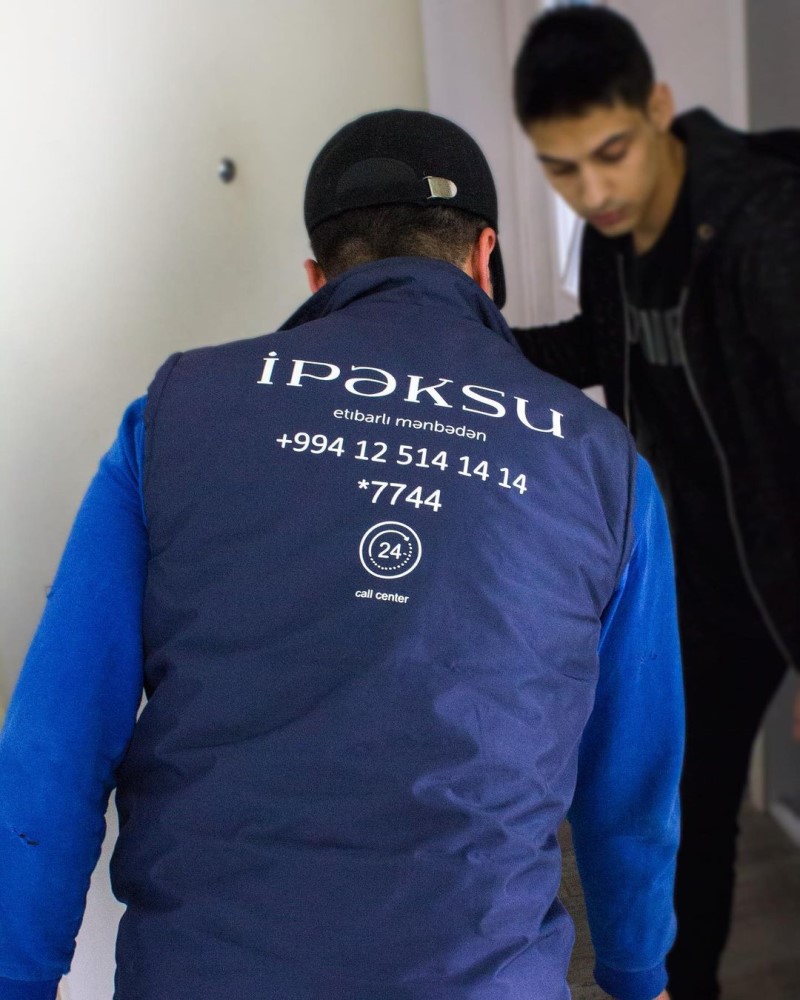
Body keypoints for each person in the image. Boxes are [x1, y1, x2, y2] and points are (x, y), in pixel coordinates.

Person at [0, 108, 681, 1000]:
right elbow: (632, 781)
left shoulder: (175, 413)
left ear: (319, 276)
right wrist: (637, 974)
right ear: (485, 257)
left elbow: (55, 744)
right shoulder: (603, 464)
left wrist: (16, 975)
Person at [512, 7, 800, 1000]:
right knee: (687, 812)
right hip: (708, 578)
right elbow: (602, 348)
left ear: (659, 110)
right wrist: (458, 330)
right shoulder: (612, 239)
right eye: (561, 169)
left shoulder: (760, 226)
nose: (592, 192)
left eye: (611, 153)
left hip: (782, 558)